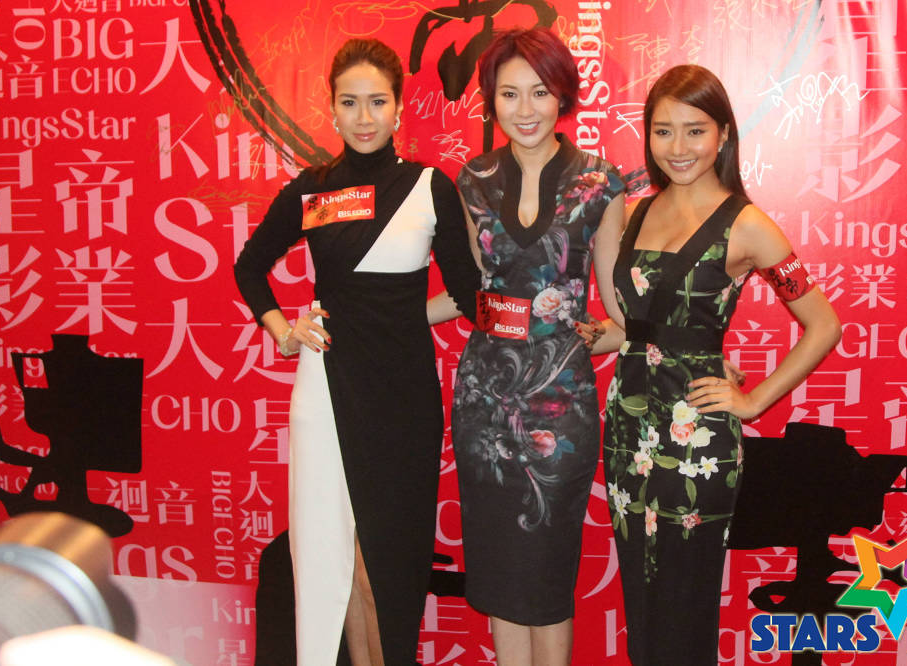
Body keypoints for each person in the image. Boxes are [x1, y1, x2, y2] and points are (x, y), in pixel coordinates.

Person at [234, 38, 480, 666]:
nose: (364, 117)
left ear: (398, 107)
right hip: (327, 389)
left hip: (403, 397)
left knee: (385, 565)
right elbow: (249, 267)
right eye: (350, 103)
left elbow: (469, 296)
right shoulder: (312, 191)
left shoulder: (430, 186)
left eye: (377, 101)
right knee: (334, 558)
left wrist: (397, 316)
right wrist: (283, 330)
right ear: (332, 110)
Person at [586, 64, 842, 665]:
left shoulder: (748, 225)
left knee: (685, 600)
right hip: (627, 431)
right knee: (642, 598)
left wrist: (753, 401)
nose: (678, 147)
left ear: (724, 133)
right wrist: (561, 335)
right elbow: (636, 327)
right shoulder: (635, 213)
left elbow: (824, 324)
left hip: (696, 439)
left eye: (695, 130)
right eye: (663, 131)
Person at [428, 27, 626, 666]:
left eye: (539, 92)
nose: (525, 108)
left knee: (546, 569)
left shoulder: (600, 182)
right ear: (491, 101)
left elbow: (615, 301)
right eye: (509, 93)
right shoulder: (473, 179)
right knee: (498, 569)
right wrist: (377, 319)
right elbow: (470, 292)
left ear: (562, 95)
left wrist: (671, 343)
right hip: (485, 400)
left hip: (561, 405)